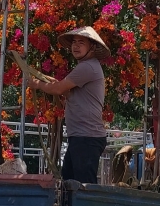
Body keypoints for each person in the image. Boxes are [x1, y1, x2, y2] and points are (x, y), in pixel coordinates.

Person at [31, 26, 108, 184]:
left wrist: (37, 84)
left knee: (83, 187)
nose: (76, 46)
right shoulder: (85, 66)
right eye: (74, 42)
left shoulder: (87, 67)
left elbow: (58, 89)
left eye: (81, 42)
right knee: (70, 184)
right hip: (81, 137)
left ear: (92, 47)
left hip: (87, 137)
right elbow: (67, 92)